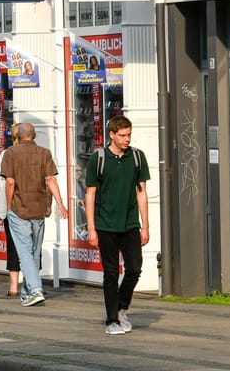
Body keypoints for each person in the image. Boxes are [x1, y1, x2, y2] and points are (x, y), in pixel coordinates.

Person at [84, 115, 150, 335]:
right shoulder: (99, 158)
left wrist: (146, 225)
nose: (126, 139)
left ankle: (122, 308)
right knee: (111, 273)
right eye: (122, 135)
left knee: (134, 268)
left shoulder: (137, 157)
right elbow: (90, 194)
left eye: (129, 134)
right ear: (111, 135)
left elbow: (142, 193)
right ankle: (111, 320)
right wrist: (91, 228)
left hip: (130, 223)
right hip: (105, 224)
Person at [0, 121, 69, 306]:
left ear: (18, 136)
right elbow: (51, 180)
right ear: (34, 135)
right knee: (34, 250)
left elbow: (10, 182)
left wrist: (8, 205)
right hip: (39, 208)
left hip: (19, 208)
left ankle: (35, 289)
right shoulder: (44, 153)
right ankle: (27, 292)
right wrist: (60, 204)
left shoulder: (10, 154)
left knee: (24, 251)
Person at [0, 124, 23, 297]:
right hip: (32, 206)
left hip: (12, 205)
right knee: (32, 245)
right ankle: (33, 284)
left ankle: (13, 286)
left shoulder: (5, 154)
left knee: (13, 244)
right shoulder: (39, 152)